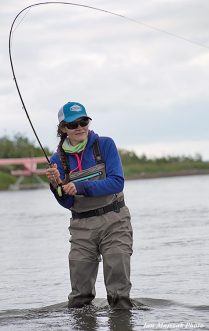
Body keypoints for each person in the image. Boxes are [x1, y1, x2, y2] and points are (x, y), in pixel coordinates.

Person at [46, 101, 133, 309]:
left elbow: (117, 182)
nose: (79, 128)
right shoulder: (56, 160)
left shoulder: (105, 145)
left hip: (115, 221)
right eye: (73, 124)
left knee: (119, 294)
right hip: (81, 227)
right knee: (79, 298)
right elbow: (67, 202)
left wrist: (80, 186)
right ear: (63, 129)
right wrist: (55, 185)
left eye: (83, 121)